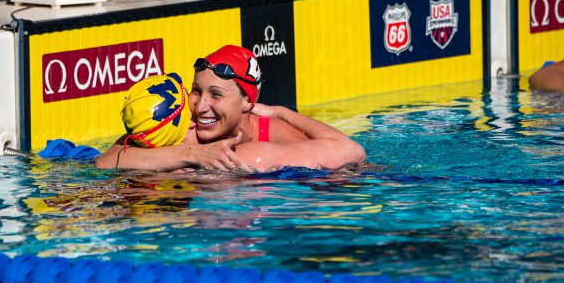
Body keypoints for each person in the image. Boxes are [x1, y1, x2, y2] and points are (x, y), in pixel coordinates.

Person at [95, 45, 366, 172]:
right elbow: (107, 160)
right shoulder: (184, 123)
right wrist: (192, 154)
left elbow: (353, 153)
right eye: (197, 91)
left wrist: (284, 112)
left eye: (216, 95)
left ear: (248, 102)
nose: (201, 107)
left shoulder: (267, 142)